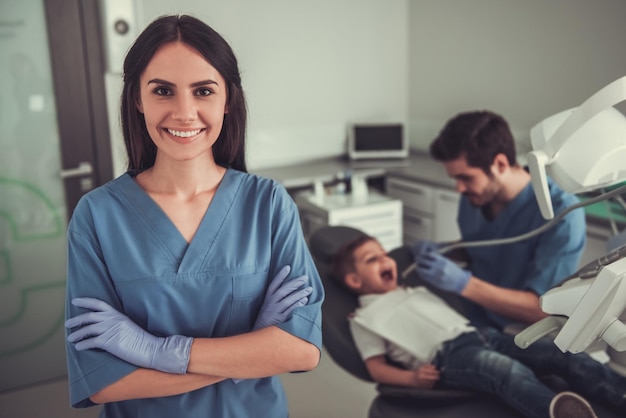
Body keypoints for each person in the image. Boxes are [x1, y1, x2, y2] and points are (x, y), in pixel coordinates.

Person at [63, 14, 324, 418]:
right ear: (137, 99)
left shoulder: (268, 204)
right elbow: (104, 382)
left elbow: (301, 351)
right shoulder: (97, 215)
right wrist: (252, 349)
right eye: (163, 91)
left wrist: (157, 351)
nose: (184, 112)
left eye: (203, 91)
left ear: (227, 99)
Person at [333, 234, 626, 418]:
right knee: (504, 370)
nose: (386, 259)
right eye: (373, 259)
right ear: (354, 282)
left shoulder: (412, 290)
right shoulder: (363, 319)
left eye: (384, 253)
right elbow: (375, 367)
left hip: (481, 334)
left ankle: (620, 393)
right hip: (447, 357)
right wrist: (411, 379)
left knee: (558, 352)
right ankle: (557, 412)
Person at [412, 110, 587, 330]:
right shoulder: (475, 197)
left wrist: (464, 284)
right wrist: (446, 251)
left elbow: (543, 310)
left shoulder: (562, 214)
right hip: (471, 313)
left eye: (465, 177)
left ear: (500, 164)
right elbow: (487, 247)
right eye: (455, 178)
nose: (459, 188)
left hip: (519, 330)